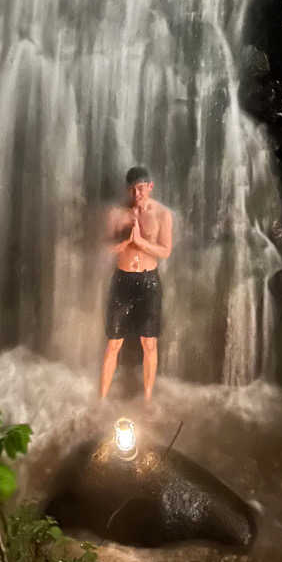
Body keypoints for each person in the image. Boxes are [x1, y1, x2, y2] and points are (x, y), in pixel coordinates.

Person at [99, 166, 173, 402]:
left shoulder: (162, 214)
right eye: (132, 189)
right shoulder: (116, 213)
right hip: (122, 280)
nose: (137, 194)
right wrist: (125, 241)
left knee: (149, 343)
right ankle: (101, 399)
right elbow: (108, 247)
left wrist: (140, 242)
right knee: (113, 343)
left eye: (141, 188)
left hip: (149, 281)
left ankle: (148, 399)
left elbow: (165, 250)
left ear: (150, 186)